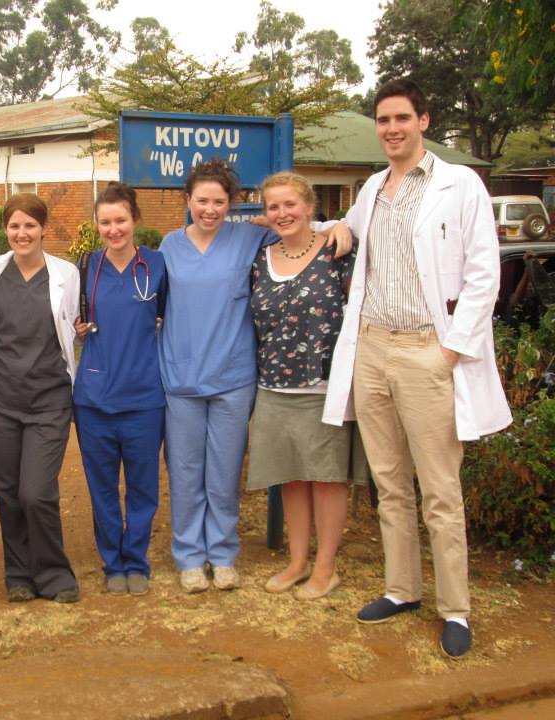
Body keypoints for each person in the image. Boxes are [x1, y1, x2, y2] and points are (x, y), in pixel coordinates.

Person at [322, 79, 512, 658]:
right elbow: (350, 231)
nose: (392, 129)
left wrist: (451, 348)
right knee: (389, 482)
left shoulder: (461, 185)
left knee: (439, 488)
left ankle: (455, 609)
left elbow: (484, 272)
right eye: (383, 120)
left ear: (424, 121)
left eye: (402, 118)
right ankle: (401, 589)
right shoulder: (373, 187)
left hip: (429, 350)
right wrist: (335, 227)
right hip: (373, 349)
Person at [159, 159, 351, 594]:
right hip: (181, 377)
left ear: (232, 204)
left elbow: (299, 228)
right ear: (188, 201)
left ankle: (223, 554)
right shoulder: (169, 247)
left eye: (219, 201)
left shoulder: (252, 239)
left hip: (234, 377)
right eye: (202, 200)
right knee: (186, 471)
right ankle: (190, 555)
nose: (210, 209)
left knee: (225, 473)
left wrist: (339, 223)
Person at [246, 171, 366, 600]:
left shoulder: (337, 251)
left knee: (327, 478)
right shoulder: (262, 258)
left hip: (324, 387)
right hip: (273, 386)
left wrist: (336, 226)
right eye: (273, 206)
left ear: (309, 208)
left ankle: (325, 568)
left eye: (290, 205)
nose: (282, 213)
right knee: (292, 477)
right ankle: (298, 562)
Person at [0, 194, 81, 603]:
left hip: (49, 398)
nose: (22, 233)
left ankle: (53, 574)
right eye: (14, 226)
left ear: (44, 228)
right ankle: (18, 574)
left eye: (30, 226)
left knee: (35, 491)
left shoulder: (65, 274)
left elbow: (74, 323)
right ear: (6, 229)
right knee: (7, 489)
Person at [73, 183, 168, 597]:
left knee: (144, 487)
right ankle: (113, 562)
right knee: (103, 488)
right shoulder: (83, 267)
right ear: (97, 225)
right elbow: (68, 325)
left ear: (135, 220)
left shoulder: (158, 266)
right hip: (93, 399)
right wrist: (77, 332)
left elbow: (171, 317)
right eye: (106, 222)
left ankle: (137, 561)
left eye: (121, 220)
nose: (114, 229)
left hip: (145, 397)